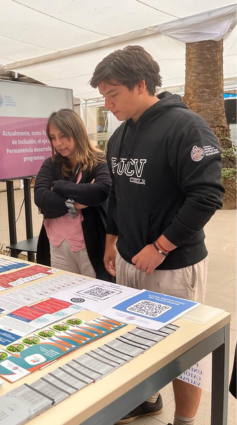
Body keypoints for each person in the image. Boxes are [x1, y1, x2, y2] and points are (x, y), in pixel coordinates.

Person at [89, 46, 224, 425]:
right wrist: (112, 241)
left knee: (183, 349)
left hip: (173, 263)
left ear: (141, 84)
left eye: (113, 94)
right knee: (137, 337)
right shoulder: (119, 138)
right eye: (103, 96)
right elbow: (116, 193)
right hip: (130, 259)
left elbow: (208, 195)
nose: (108, 103)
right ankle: (148, 400)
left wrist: (161, 246)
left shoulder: (187, 127)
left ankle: (185, 420)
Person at [34, 108, 112, 281]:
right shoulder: (51, 164)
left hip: (90, 244)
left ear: (77, 133)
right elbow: (40, 196)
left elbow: (100, 191)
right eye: (53, 138)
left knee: (95, 293)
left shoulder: (99, 161)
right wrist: (75, 204)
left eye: (63, 136)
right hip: (56, 244)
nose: (58, 143)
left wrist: (58, 186)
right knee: (62, 293)